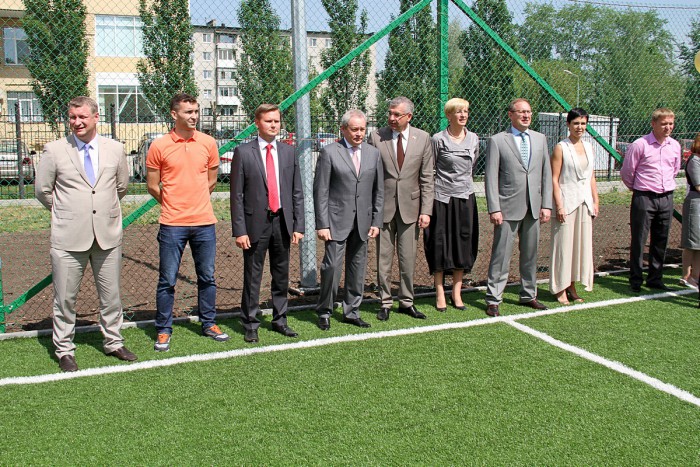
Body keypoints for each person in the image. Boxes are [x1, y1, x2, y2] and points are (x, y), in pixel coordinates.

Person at [36, 96, 137, 372]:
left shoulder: (115, 149)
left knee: (111, 296)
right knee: (65, 299)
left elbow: (121, 187)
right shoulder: (55, 150)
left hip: (107, 236)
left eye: (82, 117)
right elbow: (43, 191)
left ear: (95, 117)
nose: (77, 122)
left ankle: (114, 342)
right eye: (72, 117)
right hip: (69, 238)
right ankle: (64, 350)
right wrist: (67, 212)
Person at [146, 93, 229, 352]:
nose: (194, 116)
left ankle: (209, 323)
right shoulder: (159, 145)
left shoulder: (208, 143)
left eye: (196, 111)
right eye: (188, 112)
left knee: (207, 277)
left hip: (204, 223)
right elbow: (152, 185)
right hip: (172, 225)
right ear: (174, 114)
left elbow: (211, 181)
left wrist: (196, 202)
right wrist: (173, 204)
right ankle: (163, 329)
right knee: (167, 279)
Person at [231, 104, 305, 343]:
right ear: (257, 123)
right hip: (255, 225)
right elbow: (237, 195)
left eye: (276, 121)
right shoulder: (244, 152)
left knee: (281, 275)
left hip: (282, 222)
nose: (273, 125)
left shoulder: (288, 152)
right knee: (253, 276)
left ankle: (280, 320)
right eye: (268, 121)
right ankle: (250, 323)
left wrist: (298, 225)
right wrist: (240, 230)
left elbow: (297, 191)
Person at [314, 109, 384, 330]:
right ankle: (324, 311)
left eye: (362, 129)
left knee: (357, 267)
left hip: (363, 221)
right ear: (343, 129)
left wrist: (376, 221)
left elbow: (378, 191)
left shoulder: (373, 154)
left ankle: (352, 311)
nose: (359, 133)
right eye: (354, 129)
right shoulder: (329, 153)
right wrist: (322, 224)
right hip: (336, 221)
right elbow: (321, 191)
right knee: (332, 267)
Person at [484, 98, 553, 317]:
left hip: (534, 207)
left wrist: (546, 204)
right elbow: (490, 177)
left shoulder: (540, 139)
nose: (526, 115)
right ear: (510, 114)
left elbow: (546, 174)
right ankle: (494, 298)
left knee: (530, 255)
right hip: (507, 208)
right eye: (521, 112)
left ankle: (528, 295)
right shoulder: (497, 140)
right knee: (501, 255)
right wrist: (494, 208)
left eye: (529, 112)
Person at [370, 96, 434, 321]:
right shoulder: (376, 137)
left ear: (409, 116)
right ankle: (385, 302)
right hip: (384, 208)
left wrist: (426, 210)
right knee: (383, 260)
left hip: (411, 208)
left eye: (396, 114)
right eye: (390, 113)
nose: (391, 118)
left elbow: (427, 177)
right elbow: (370, 175)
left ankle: (407, 301)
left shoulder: (423, 138)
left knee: (408, 259)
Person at [424, 98, 479, 312]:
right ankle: (439, 292)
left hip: (465, 198)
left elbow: (472, 166)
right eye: (458, 111)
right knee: (440, 244)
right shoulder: (438, 139)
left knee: (462, 244)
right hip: (442, 199)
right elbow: (431, 169)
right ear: (449, 115)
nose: (463, 115)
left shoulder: (474, 139)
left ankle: (457, 293)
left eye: (466, 111)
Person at [620, 108, 681, 293]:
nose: (668, 127)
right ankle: (636, 279)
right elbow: (627, 172)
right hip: (644, 196)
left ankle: (655, 278)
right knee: (639, 239)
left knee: (661, 239)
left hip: (666, 197)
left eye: (670, 124)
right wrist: (638, 188)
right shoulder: (640, 145)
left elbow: (675, 170)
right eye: (664, 124)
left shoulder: (675, 146)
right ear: (653, 124)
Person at [549, 108, 599, 305]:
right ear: (568, 125)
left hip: (584, 203)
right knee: (563, 247)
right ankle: (559, 288)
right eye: (576, 123)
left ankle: (571, 286)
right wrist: (559, 206)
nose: (580, 127)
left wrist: (595, 200)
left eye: (583, 123)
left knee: (579, 247)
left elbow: (591, 177)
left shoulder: (589, 147)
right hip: (566, 203)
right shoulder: (561, 147)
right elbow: (554, 179)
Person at [681, 134, 700, 292]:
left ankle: (696, 276)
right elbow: (698, 185)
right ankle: (686, 276)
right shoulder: (694, 160)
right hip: (696, 203)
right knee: (692, 243)